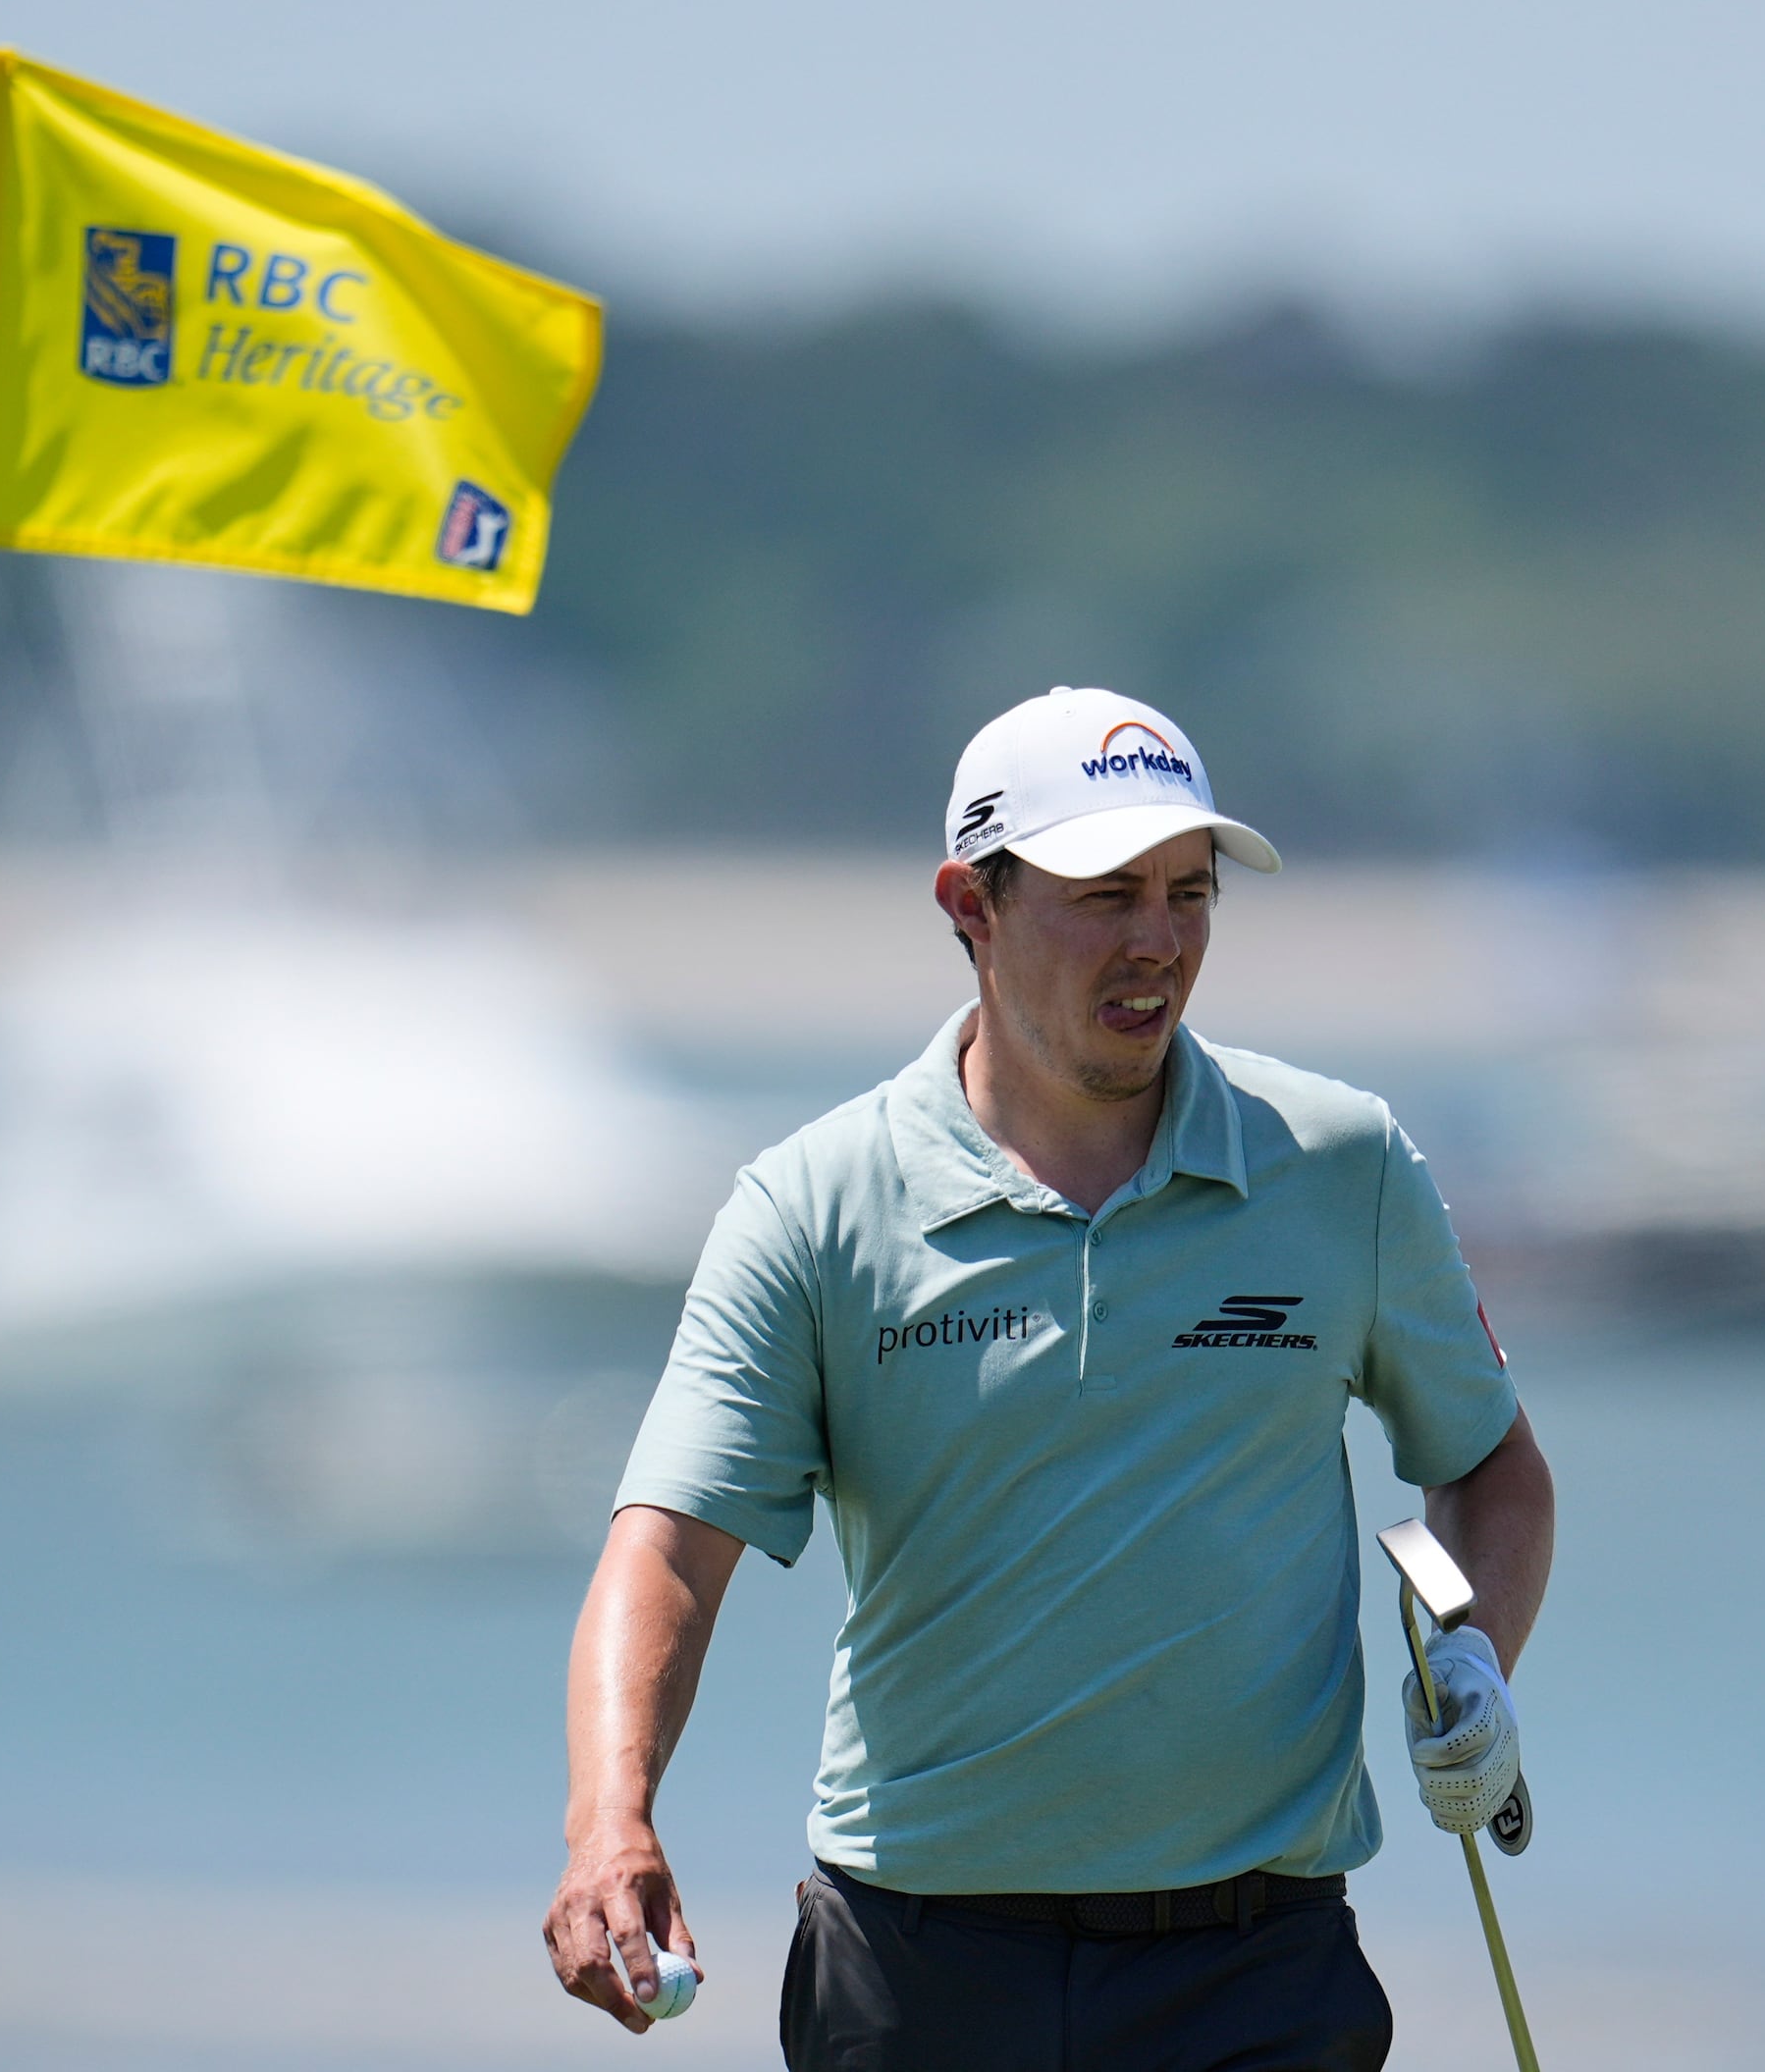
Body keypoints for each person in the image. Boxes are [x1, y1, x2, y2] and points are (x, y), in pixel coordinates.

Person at [544, 686, 1555, 2069]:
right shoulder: (814, 1205)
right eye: (1107, 894)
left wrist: (1477, 1656)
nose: (1159, 941)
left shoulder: (1342, 1166)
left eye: (1190, 893)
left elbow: (1488, 1465)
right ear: (973, 905)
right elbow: (665, 1550)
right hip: (920, 1971)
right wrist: (612, 1819)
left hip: (1256, 1973)